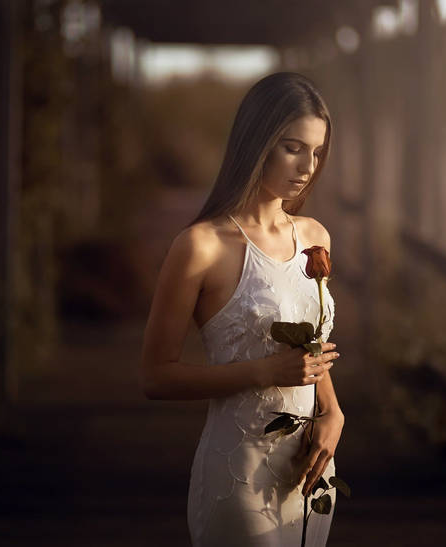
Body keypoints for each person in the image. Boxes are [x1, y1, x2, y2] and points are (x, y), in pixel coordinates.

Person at [139, 72, 344, 546]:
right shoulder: (200, 246)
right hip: (239, 474)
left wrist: (333, 412)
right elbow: (154, 377)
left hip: (311, 472)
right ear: (257, 142)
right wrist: (264, 372)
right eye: (293, 148)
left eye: (317, 152)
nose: (307, 166)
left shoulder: (315, 236)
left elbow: (311, 350)